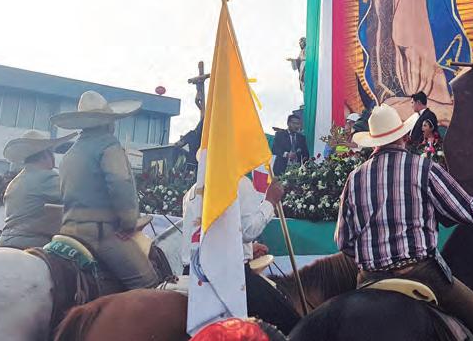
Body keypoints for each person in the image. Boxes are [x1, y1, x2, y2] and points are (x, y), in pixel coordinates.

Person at [335, 104, 473, 341]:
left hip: (370, 279)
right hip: (420, 273)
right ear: (403, 136)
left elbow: (343, 241)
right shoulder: (423, 168)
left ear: (374, 142)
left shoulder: (354, 179)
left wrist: (375, 260)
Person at [52, 90, 160, 290]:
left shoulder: (69, 154)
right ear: (108, 122)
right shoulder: (109, 146)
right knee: (149, 284)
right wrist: (128, 224)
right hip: (100, 234)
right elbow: (120, 185)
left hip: (68, 232)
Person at [182, 176, 300, 335]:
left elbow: (209, 236)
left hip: (193, 273)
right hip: (229, 276)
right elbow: (249, 230)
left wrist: (247, 249)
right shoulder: (239, 183)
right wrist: (270, 201)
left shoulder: (192, 191)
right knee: (292, 323)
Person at [0, 130, 77, 249]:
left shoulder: (15, 181)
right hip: (33, 242)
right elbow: (77, 196)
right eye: (51, 153)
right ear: (46, 155)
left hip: (4, 240)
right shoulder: (47, 177)